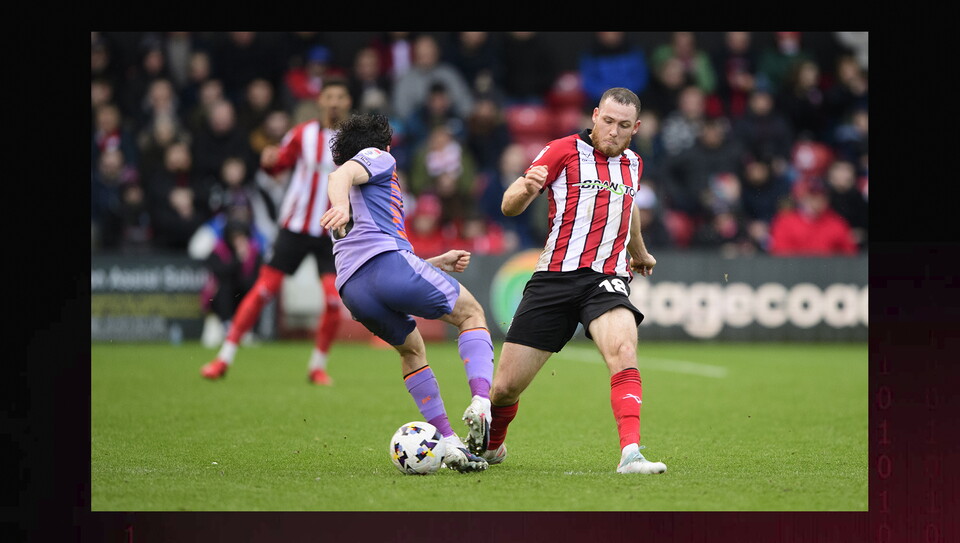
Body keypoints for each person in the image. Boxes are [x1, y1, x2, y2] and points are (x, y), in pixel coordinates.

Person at [482, 87, 667, 474]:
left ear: (636, 128)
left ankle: (631, 453)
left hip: (606, 277)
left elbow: (627, 206)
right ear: (595, 115)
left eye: (623, 126)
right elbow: (508, 205)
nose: (613, 131)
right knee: (504, 389)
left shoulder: (634, 163)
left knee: (622, 351)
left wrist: (639, 251)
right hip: (553, 278)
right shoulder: (562, 150)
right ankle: (492, 446)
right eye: (608, 121)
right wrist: (526, 188)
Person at [318, 113, 493, 472]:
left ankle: (448, 442)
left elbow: (369, 252)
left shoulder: (356, 196)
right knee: (471, 313)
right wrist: (339, 204)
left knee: (412, 350)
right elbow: (340, 175)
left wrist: (434, 263)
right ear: (382, 145)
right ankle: (481, 401)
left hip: (354, 290)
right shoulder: (378, 160)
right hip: (388, 267)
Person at [201, 77, 353, 385]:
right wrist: (268, 161)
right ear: (320, 102)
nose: (335, 102)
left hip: (330, 232)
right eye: (330, 96)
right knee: (262, 291)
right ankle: (223, 358)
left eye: (340, 96)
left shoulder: (355, 141)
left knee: (333, 301)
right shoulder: (304, 134)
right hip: (295, 228)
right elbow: (277, 164)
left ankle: (317, 366)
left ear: (348, 102)